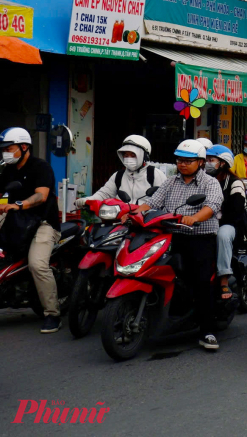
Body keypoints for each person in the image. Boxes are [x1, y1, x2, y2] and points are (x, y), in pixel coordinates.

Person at [135, 140, 224, 350]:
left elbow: (211, 206)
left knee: (202, 282)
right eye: (179, 160)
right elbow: (153, 202)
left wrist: (194, 218)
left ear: (201, 162)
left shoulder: (210, 183)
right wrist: (135, 212)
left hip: (200, 238)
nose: (182, 164)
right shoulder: (171, 182)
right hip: (172, 237)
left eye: (188, 161)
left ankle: (207, 331)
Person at [0, 127, 62, 333]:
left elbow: (41, 196)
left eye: (9, 148)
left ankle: (52, 314)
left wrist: (17, 205)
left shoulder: (41, 167)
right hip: (17, 223)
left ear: (24, 147)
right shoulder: (7, 170)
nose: (5, 152)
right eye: (4, 149)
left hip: (43, 223)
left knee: (37, 264)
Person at [75, 135, 166, 208]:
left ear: (144, 156)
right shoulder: (118, 176)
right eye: (126, 155)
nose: (128, 158)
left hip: (147, 222)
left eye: (133, 155)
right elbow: (105, 194)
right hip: (121, 219)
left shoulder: (155, 174)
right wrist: (87, 200)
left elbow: (164, 199)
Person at [206, 144, 246, 302]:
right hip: (205, 222)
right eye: (206, 160)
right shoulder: (203, 181)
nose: (207, 163)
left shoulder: (235, 183)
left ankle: (223, 280)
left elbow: (235, 211)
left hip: (230, 224)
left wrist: (216, 219)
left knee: (222, 236)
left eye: (211, 160)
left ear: (223, 163)